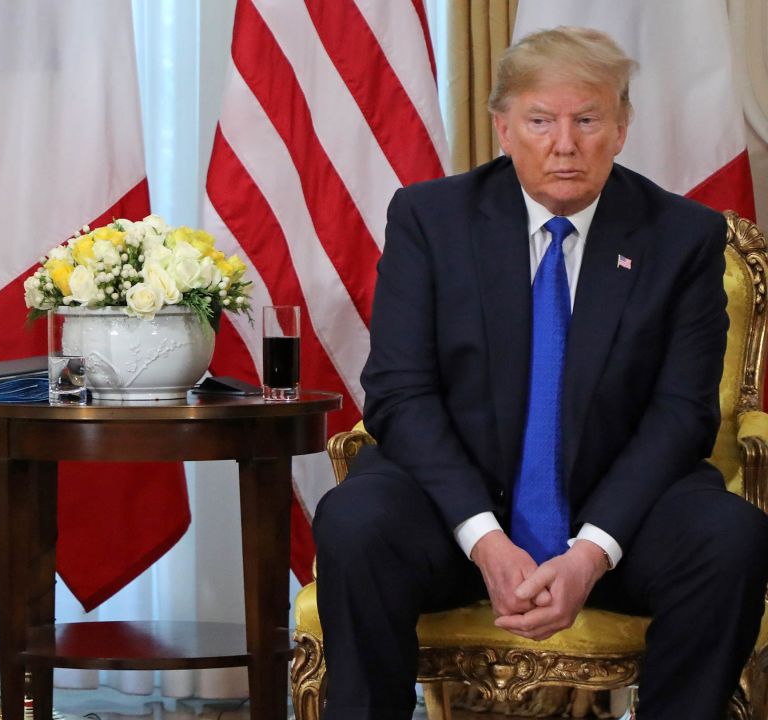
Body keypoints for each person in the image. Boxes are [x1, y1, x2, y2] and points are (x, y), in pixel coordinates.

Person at [312, 26, 768, 720]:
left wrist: (591, 553)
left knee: (729, 538)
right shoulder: (432, 220)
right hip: (454, 513)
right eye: (540, 121)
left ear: (620, 128)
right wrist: (485, 538)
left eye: (587, 120)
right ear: (502, 128)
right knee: (355, 521)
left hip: (616, 517)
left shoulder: (681, 237)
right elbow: (400, 395)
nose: (565, 144)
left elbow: (681, 414)